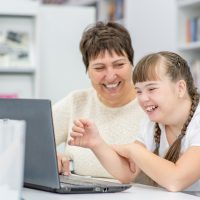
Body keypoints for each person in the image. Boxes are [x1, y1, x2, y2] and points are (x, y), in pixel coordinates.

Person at [69, 51, 200, 192]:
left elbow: (176, 180)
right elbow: (127, 173)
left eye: (151, 88)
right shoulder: (152, 125)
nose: (143, 99)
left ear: (180, 88)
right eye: (138, 91)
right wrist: (96, 143)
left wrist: (133, 150)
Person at [52, 21, 147, 181]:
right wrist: (50, 156)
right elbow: (27, 141)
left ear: (132, 64)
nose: (110, 76)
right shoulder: (76, 102)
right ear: (87, 71)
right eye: (99, 68)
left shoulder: (150, 106)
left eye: (119, 64)